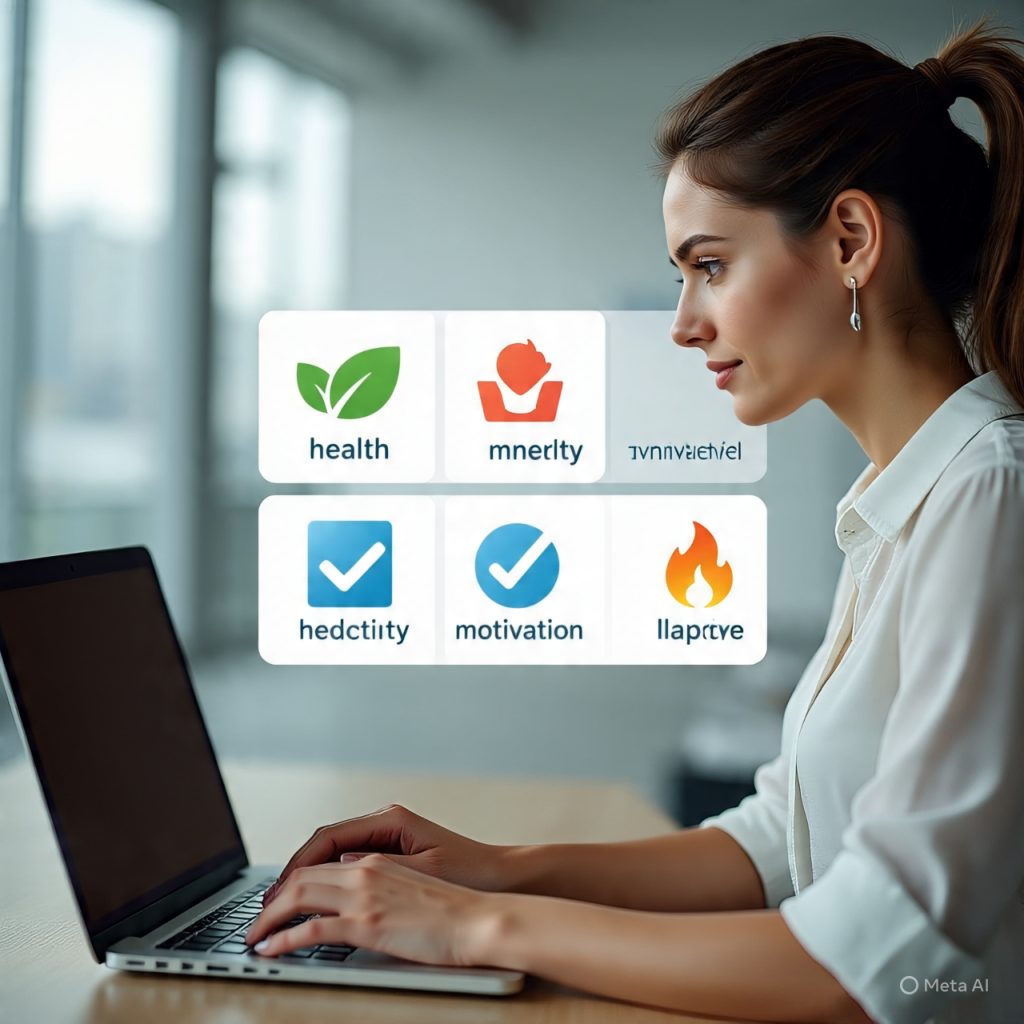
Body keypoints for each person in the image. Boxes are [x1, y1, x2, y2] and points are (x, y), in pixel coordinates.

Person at [245, 19, 1024, 1024]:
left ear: (849, 240)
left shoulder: (986, 494)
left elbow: (866, 962)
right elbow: (781, 840)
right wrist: (494, 870)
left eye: (709, 265)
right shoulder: (912, 494)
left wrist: (473, 928)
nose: (683, 323)